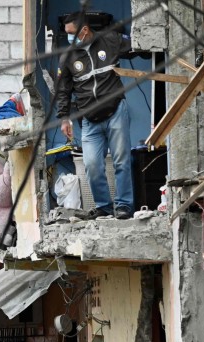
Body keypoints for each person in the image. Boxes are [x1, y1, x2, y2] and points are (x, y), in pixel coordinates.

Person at [57, 11, 135, 220]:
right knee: (92, 165)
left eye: (72, 33)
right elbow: (63, 90)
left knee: (121, 161)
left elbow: (138, 45)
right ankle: (104, 206)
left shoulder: (109, 40)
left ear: (84, 30)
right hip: (89, 120)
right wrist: (64, 117)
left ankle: (124, 205)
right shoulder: (68, 57)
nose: (69, 38)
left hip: (115, 110)